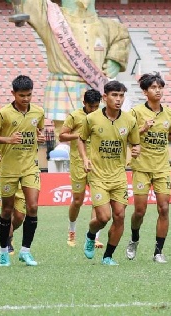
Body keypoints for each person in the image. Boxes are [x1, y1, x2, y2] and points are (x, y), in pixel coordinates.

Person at [1, 0, 130, 136]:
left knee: (99, 132)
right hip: (63, 86)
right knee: (64, 136)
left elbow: (121, 37)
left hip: (96, 86)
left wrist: (114, 60)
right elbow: (33, 2)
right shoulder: (53, 17)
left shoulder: (108, 26)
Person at [79, 81, 140, 266]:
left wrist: (136, 150)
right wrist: (84, 159)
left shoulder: (129, 120)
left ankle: (108, 256)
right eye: (114, 95)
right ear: (105, 97)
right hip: (98, 175)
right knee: (104, 217)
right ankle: (90, 235)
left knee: (120, 216)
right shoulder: (92, 119)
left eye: (121, 95)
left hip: (119, 175)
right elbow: (81, 139)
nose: (118, 99)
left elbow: (135, 143)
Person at [125, 73, 171, 264]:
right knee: (139, 211)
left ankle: (158, 251)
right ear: (145, 91)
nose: (158, 90)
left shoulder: (170, 114)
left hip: (162, 167)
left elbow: (170, 137)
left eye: (160, 87)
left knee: (164, 208)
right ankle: (134, 239)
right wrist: (141, 129)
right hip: (141, 166)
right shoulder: (135, 113)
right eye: (153, 87)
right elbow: (124, 136)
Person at [0, 75, 45, 267]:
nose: (26, 99)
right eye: (22, 95)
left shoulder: (38, 112)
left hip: (30, 167)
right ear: (13, 94)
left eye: (29, 95)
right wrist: (8, 140)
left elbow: (38, 130)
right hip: (8, 169)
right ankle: (3, 251)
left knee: (32, 207)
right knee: (7, 211)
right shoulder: (3, 114)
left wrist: (40, 137)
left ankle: (25, 251)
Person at [58, 89, 103, 248]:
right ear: (84, 103)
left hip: (97, 163)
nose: (94, 110)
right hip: (78, 163)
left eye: (97, 106)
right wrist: (78, 135)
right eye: (91, 106)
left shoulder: (102, 116)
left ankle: (95, 236)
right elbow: (61, 136)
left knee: (99, 200)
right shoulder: (74, 116)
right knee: (77, 201)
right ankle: (71, 231)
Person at [0, 146, 25, 255]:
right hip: (4, 176)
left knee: (20, 216)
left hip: (22, 175)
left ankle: (5, 231)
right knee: (7, 211)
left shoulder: (25, 131)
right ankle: (8, 241)